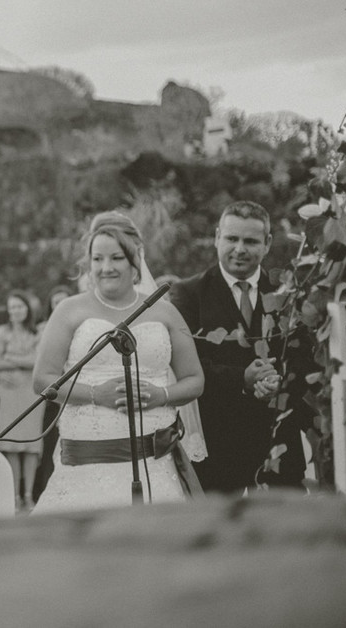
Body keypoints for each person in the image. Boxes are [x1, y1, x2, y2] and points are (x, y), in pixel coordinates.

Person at [31, 212, 204, 514]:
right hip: (85, 465)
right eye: (97, 259)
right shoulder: (68, 310)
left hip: (154, 464)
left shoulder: (165, 313)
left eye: (116, 258)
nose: (106, 268)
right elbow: (43, 379)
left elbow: (194, 379)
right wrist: (98, 394)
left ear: (135, 259)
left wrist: (160, 395)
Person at [170, 200, 309, 492]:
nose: (240, 249)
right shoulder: (189, 293)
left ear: (267, 243)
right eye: (232, 239)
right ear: (217, 237)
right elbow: (186, 365)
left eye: (250, 241)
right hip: (218, 446)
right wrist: (242, 379)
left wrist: (277, 380)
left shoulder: (288, 292)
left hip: (278, 441)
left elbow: (303, 355)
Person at [0, 290, 43, 511]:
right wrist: (21, 362)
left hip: (30, 393)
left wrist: (11, 358)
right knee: (11, 445)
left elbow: (38, 360)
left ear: (27, 309)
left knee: (31, 446)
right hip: (8, 393)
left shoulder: (37, 333)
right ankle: (13, 496)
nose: (15, 311)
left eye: (19, 306)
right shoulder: (2, 331)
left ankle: (29, 495)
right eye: (12, 307)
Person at [33, 285, 74, 502]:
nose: (60, 305)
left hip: (76, 390)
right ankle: (45, 492)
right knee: (50, 445)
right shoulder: (43, 329)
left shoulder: (80, 326)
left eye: (64, 300)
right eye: (56, 302)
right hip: (53, 392)